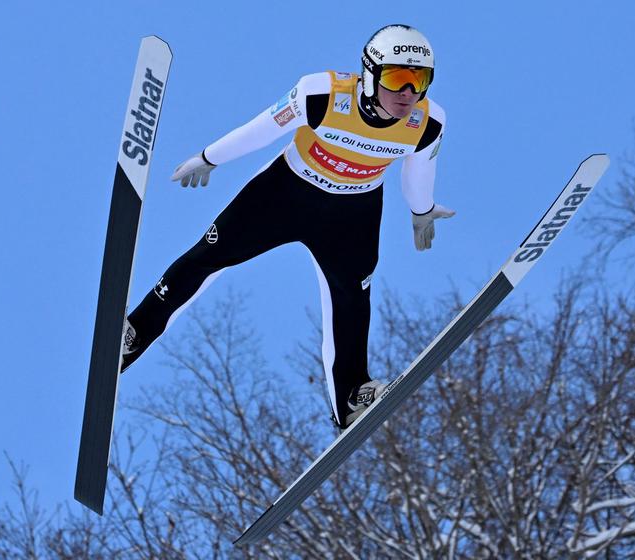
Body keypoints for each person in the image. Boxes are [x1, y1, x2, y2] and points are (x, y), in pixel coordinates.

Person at [121, 24, 452, 430]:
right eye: (398, 79)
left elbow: (419, 171)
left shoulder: (428, 121)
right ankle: (134, 332)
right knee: (207, 256)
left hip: (354, 214)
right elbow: (261, 129)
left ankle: (352, 396)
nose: (408, 94)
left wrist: (422, 211)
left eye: (419, 81)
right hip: (285, 194)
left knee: (352, 298)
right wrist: (210, 157)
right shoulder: (322, 95)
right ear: (369, 75)